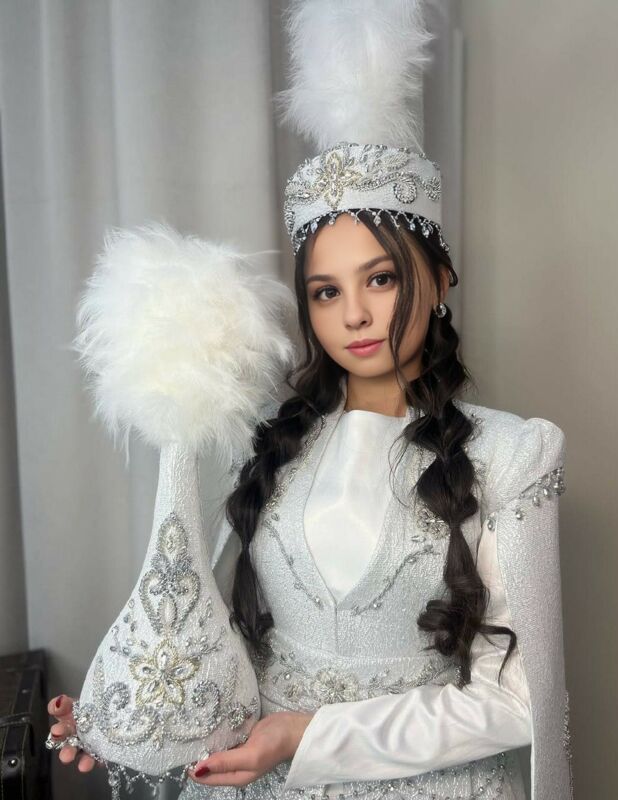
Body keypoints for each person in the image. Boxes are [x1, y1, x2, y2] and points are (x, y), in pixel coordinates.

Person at [48, 205, 572, 800]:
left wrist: (308, 736)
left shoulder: (511, 452)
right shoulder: (267, 440)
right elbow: (214, 635)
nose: (354, 315)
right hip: (258, 782)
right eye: (327, 292)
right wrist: (129, 715)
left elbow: (518, 700)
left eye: (381, 279)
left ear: (439, 280)